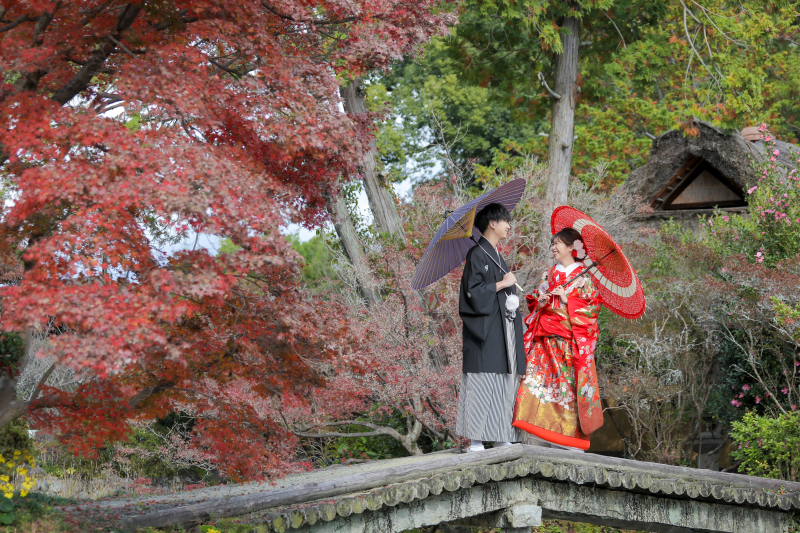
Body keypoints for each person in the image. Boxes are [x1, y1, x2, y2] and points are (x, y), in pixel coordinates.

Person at [512, 227, 602, 451]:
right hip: (545, 339)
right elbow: (537, 299)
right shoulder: (550, 273)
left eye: (558, 243)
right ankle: (546, 433)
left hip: (568, 342)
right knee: (536, 382)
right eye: (552, 243)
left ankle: (572, 439)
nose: (553, 247)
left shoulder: (584, 278)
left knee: (567, 389)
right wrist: (540, 299)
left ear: (572, 247)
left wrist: (568, 300)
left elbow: (592, 310)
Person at [456, 203, 526, 452]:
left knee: (504, 379)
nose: (509, 225)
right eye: (505, 221)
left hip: (503, 327)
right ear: (492, 223)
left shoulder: (497, 256)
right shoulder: (477, 254)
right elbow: (472, 293)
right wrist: (501, 283)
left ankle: (501, 434)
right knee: (483, 379)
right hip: (484, 331)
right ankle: (476, 439)